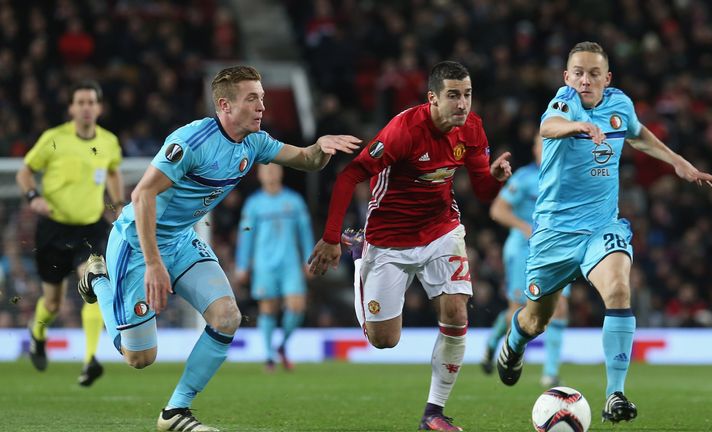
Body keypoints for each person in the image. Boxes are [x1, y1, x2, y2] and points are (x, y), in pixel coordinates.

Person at [77, 65, 360, 431]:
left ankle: (175, 412)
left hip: (181, 240)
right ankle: (98, 278)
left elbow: (306, 160)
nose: (262, 106)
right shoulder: (191, 142)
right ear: (225, 106)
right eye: (252, 98)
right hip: (137, 243)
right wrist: (152, 264)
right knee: (140, 357)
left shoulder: (254, 142)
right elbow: (142, 194)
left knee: (228, 317)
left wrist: (321, 147)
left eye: (262, 97)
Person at [494, 42, 712, 424]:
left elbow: (638, 134)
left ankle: (615, 393)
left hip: (602, 227)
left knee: (618, 288)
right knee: (536, 322)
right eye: (578, 73)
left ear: (607, 78)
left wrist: (678, 162)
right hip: (553, 234)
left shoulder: (620, 105)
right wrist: (578, 126)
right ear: (567, 77)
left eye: (593, 73)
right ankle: (513, 345)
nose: (585, 80)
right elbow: (548, 126)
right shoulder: (564, 103)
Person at [309, 61, 512, 431]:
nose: (463, 104)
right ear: (433, 98)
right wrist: (332, 237)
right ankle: (359, 256)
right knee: (384, 341)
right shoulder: (404, 131)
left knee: (456, 313)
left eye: (467, 94)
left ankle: (434, 412)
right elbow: (350, 175)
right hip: (389, 239)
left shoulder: (473, 129)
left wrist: (495, 178)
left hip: (441, 230)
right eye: (453, 95)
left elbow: (482, 191)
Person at [16, 80, 124, 387]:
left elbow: (114, 171)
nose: (87, 107)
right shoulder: (53, 139)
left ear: (99, 108)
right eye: (81, 102)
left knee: (94, 285)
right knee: (52, 303)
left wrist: (116, 206)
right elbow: (24, 171)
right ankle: (37, 333)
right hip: (53, 228)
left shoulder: (109, 142)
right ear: (72, 108)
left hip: (90, 227)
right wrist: (33, 197)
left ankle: (90, 360)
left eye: (92, 102)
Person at [480, 135, 570, 388]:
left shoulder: (568, 176)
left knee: (559, 307)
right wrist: (523, 226)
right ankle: (492, 344)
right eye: (542, 144)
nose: (547, 149)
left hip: (556, 251)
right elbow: (498, 210)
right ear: (535, 149)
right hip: (523, 251)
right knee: (518, 311)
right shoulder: (524, 178)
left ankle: (550, 373)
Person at [235, 163, 314, 372]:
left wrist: (309, 259)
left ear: (281, 172)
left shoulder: (294, 201)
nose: (270, 172)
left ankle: (282, 346)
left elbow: (305, 232)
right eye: (265, 170)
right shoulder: (254, 204)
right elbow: (246, 235)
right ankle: (269, 355)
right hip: (264, 264)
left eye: (274, 169)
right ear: (259, 175)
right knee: (268, 307)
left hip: (290, 262)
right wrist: (242, 264)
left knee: (297, 306)